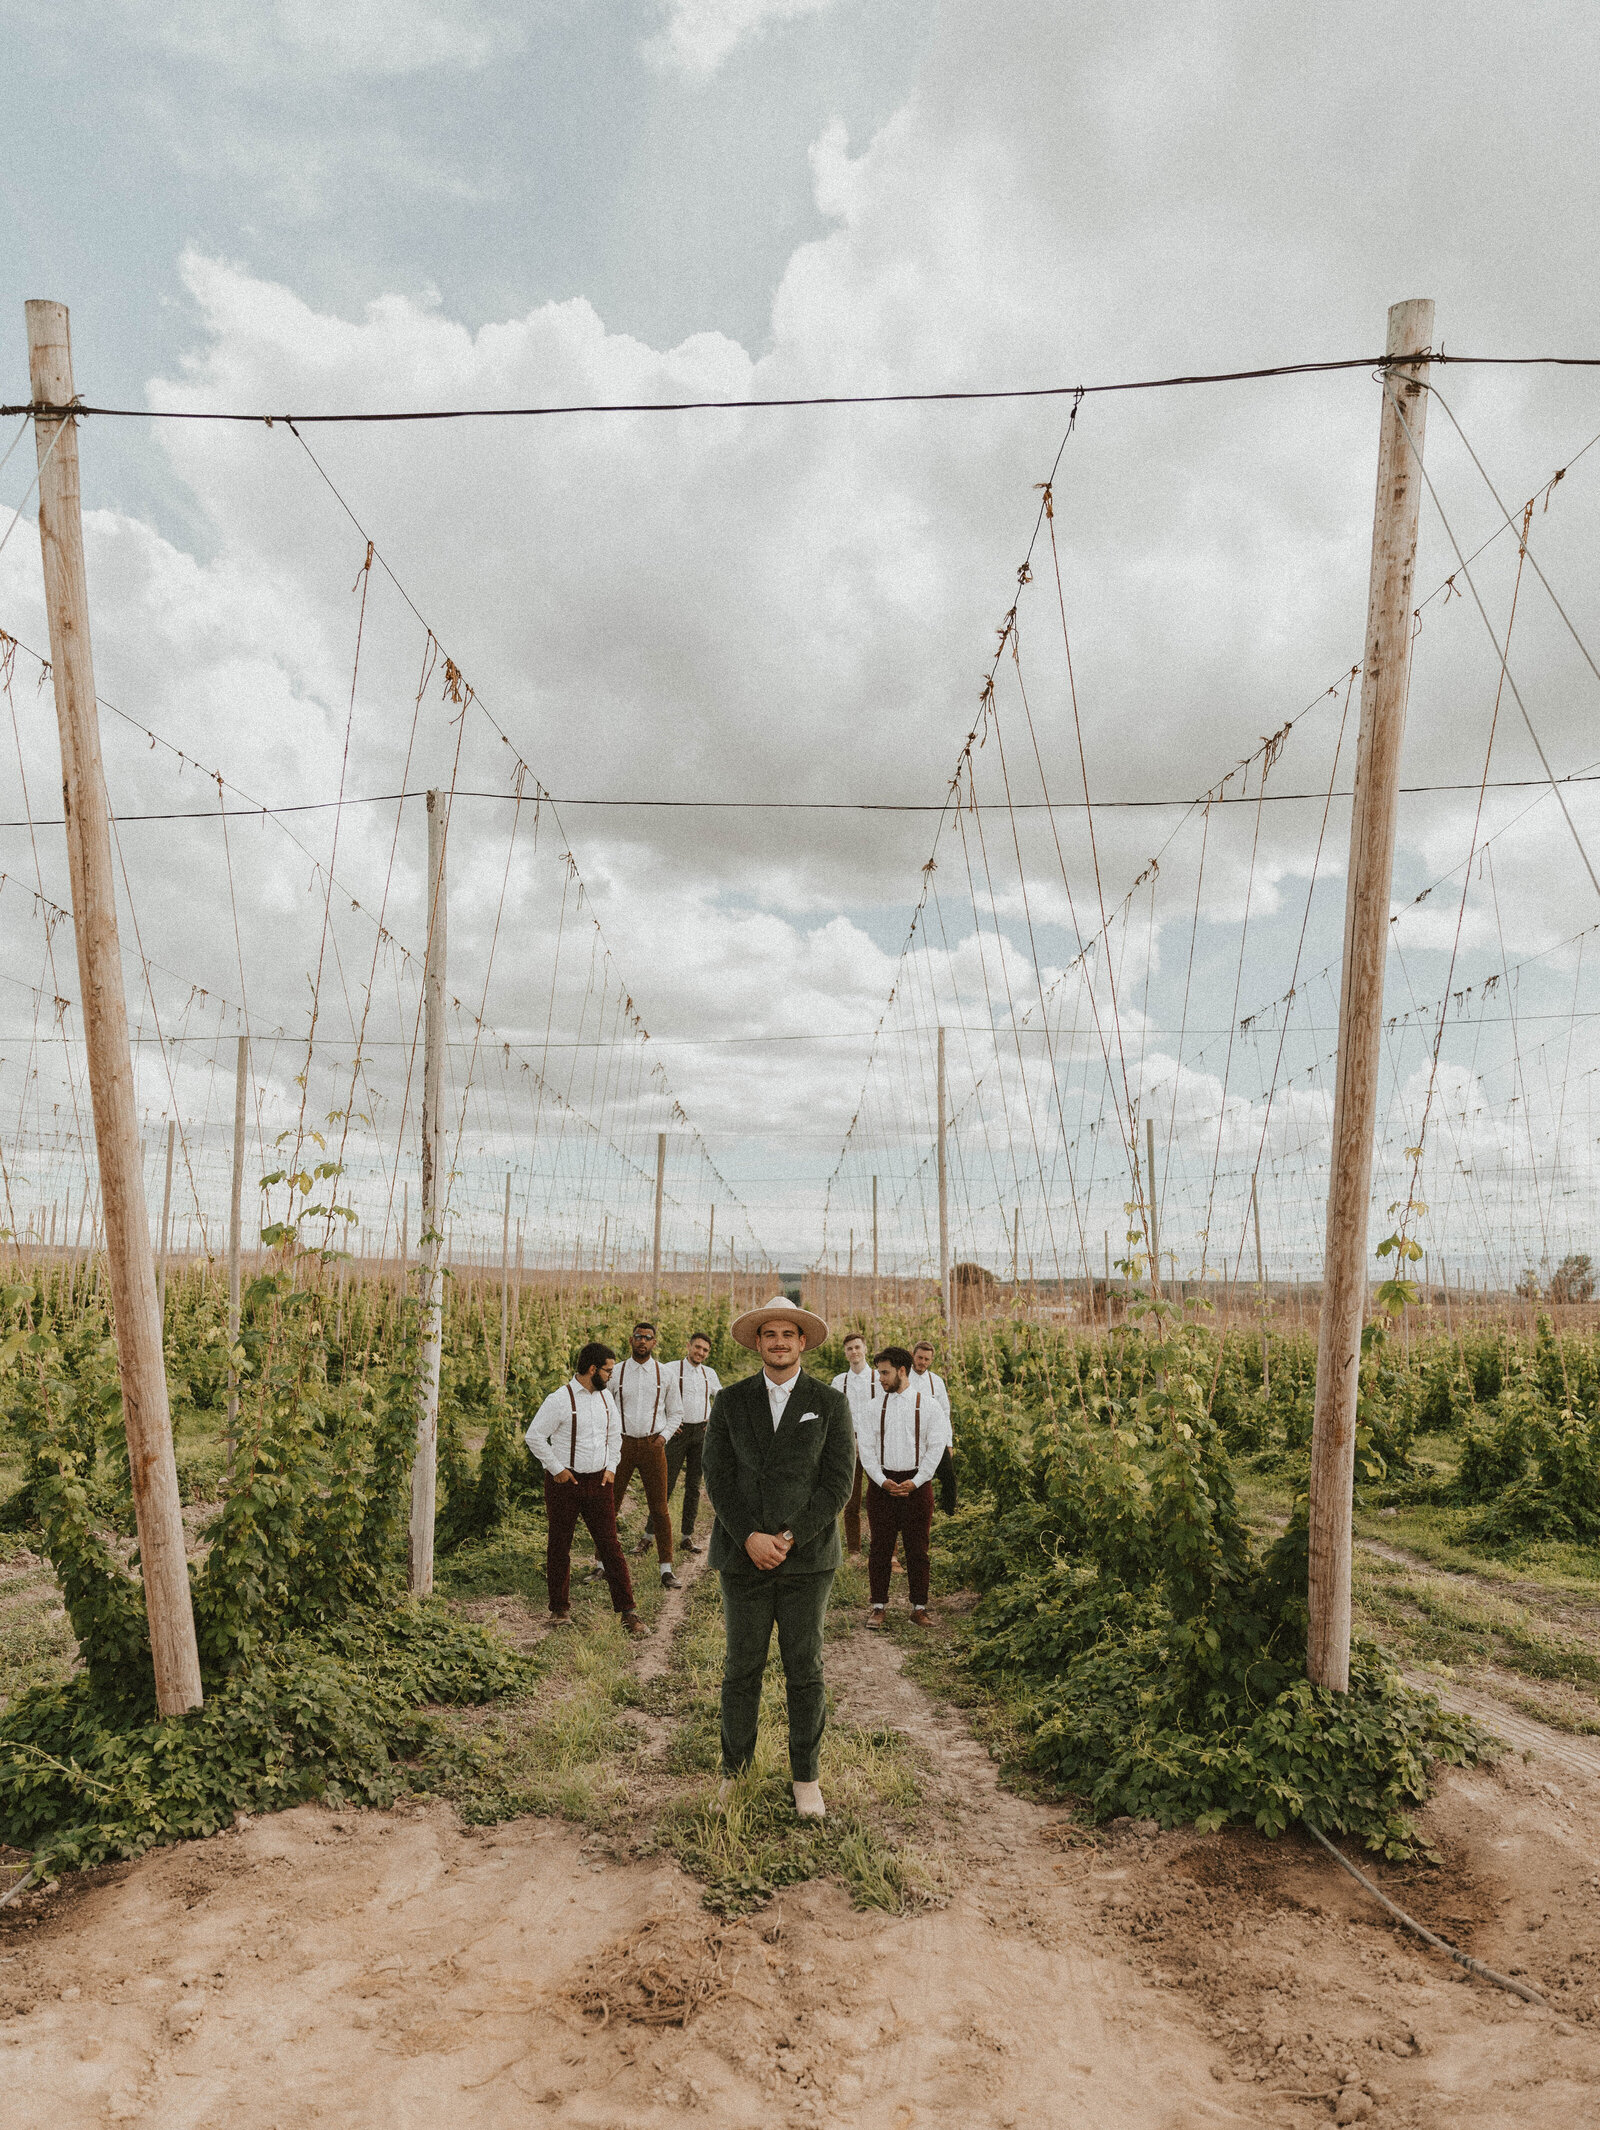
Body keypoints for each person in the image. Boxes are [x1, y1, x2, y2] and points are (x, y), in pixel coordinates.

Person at [703, 1295, 855, 1821]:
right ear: (758, 1344)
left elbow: (838, 1483)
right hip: (743, 1557)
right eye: (770, 1335)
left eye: (788, 1334)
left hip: (806, 1560)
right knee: (741, 1667)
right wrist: (748, 1535)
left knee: (804, 1668)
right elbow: (717, 1477)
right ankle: (734, 1773)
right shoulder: (729, 1400)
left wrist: (788, 1536)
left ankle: (806, 1778)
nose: (779, 1343)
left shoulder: (829, 1403)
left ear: (803, 1342)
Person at [524, 1341, 644, 1636]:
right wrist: (558, 1470)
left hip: (600, 1482)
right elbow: (535, 1436)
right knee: (559, 1545)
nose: (611, 1375)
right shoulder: (560, 1400)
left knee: (610, 1546)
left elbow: (615, 1435)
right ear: (593, 1370)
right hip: (566, 1484)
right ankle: (559, 1609)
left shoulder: (606, 1399)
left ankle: (628, 1612)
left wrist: (612, 1468)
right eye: (608, 1370)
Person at [861, 1345, 952, 1629]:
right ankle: (878, 1606)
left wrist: (917, 1480)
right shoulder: (872, 1407)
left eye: (885, 1373)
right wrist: (881, 1479)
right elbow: (866, 1448)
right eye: (878, 1373)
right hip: (882, 1485)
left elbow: (936, 1448)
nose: (880, 1379)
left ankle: (919, 1607)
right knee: (880, 1548)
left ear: (902, 1370)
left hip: (918, 1484)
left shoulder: (928, 1405)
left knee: (918, 1549)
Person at [612, 1320, 684, 1589]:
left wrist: (664, 1436)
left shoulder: (664, 1374)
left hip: (653, 1445)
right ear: (630, 1340)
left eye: (648, 1337)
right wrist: (612, 1439)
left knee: (660, 1507)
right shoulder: (616, 1373)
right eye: (638, 1336)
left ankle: (666, 1568)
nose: (642, 1341)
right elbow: (606, 1408)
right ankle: (601, 1564)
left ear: (654, 1343)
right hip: (622, 1445)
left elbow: (676, 1411)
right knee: (611, 1503)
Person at [665, 1330, 722, 1555]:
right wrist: (665, 1424)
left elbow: (721, 1396)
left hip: (701, 1432)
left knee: (693, 1486)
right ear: (688, 1346)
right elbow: (658, 1398)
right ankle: (649, 1535)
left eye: (705, 1350)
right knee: (665, 1484)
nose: (700, 1352)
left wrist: (714, 1421)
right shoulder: (670, 1369)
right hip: (678, 1433)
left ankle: (686, 1536)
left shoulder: (709, 1373)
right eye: (697, 1347)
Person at [830, 1331, 878, 1559]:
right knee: (851, 1500)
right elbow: (835, 1417)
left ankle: (889, 1552)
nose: (854, 1352)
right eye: (849, 1349)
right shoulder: (840, 1381)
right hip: (850, 1444)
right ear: (845, 1353)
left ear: (865, 1349)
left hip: (875, 1445)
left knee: (881, 1500)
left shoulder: (878, 1378)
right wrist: (850, 1441)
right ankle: (854, 1552)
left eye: (857, 1347)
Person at [911, 1339, 958, 1516]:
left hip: (935, 1437)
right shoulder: (904, 1378)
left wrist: (948, 1442)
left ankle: (949, 1516)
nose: (922, 1362)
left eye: (926, 1359)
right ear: (913, 1356)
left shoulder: (936, 1382)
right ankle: (916, 1514)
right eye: (919, 1357)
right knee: (916, 1478)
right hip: (912, 1437)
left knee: (948, 1477)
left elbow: (945, 1412)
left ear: (931, 1361)